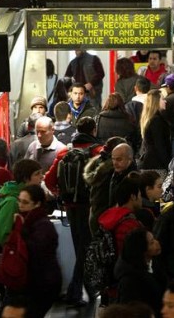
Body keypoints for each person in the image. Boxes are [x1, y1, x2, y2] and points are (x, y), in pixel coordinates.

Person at [43, 116, 102, 306]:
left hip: (70, 207)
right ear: (93, 130)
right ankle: (76, 291)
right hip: (89, 207)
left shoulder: (64, 153)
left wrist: (62, 195)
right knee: (85, 248)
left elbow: (50, 180)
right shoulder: (97, 152)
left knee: (80, 248)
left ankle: (87, 291)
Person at [8, 185, 62, 317]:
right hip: (35, 283)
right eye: (19, 201)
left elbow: (35, 251)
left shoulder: (43, 225)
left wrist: (21, 231)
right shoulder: (27, 220)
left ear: (37, 204)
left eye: (25, 202)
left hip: (42, 284)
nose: (20, 205)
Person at [115, 228, 166, 315]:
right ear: (142, 249)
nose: (157, 243)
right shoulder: (129, 281)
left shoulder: (153, 262)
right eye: (152, 242)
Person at [98, 173, 145, 253]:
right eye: (140, 195)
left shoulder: (109, 215)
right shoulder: (129, 224)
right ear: (133, 197)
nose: (141, 199)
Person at [139, 89, 172, 170]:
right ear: (156, 101)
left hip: (151, 161)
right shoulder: (156, 121)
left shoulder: (150, 119)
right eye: (162, 99)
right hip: (157, 164)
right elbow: (160, 145)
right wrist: (168, 165)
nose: (165, 101)